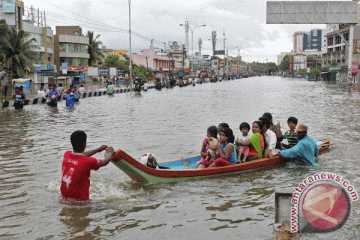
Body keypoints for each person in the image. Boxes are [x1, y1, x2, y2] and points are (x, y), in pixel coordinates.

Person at [61, 130, 114, 200]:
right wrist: (110, 153)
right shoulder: (88, 161)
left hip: (64, 197)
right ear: (84, 144)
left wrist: (98, 149)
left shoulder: (67, 154)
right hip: (81, 202)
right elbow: (104, 162)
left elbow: (82, 155)